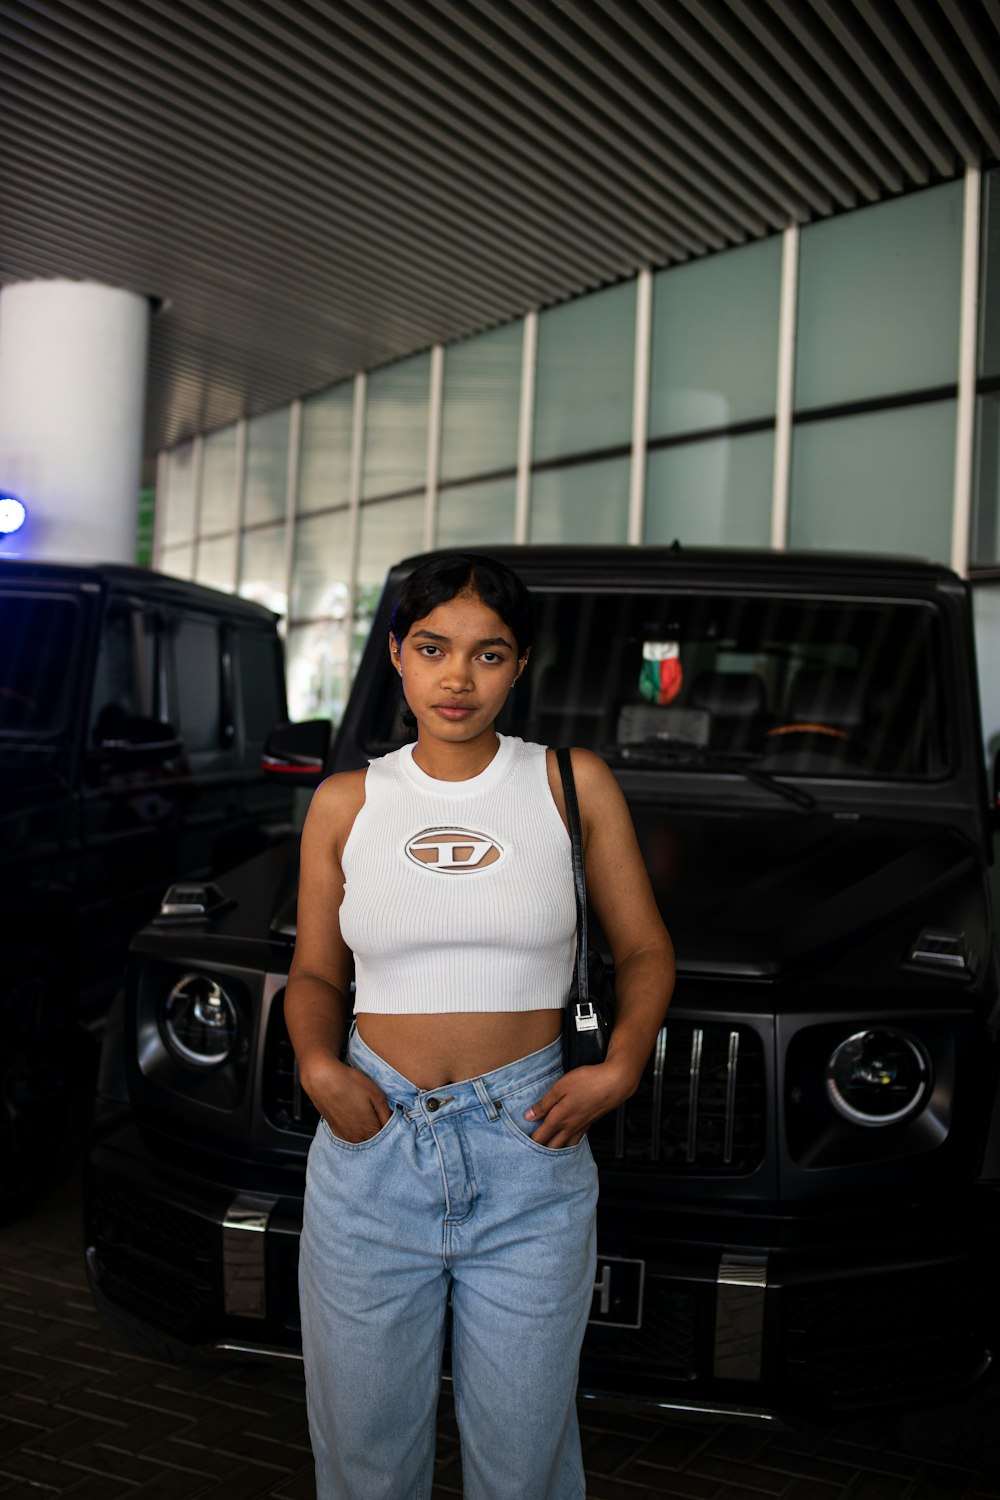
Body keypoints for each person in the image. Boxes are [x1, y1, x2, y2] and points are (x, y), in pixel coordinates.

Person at [287, 551, 674, 1500]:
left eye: (488, 655)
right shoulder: (346, 802)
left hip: (529, 1154)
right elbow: (312, 973)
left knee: (524, 1466)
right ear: (396, 655)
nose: (457, 678)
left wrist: (622, 1065)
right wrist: (314, 1065)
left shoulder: (567, 785)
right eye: (433, 648)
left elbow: (646, 952)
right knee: (365, 1461)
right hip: (372, 1153)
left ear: (521, 665)